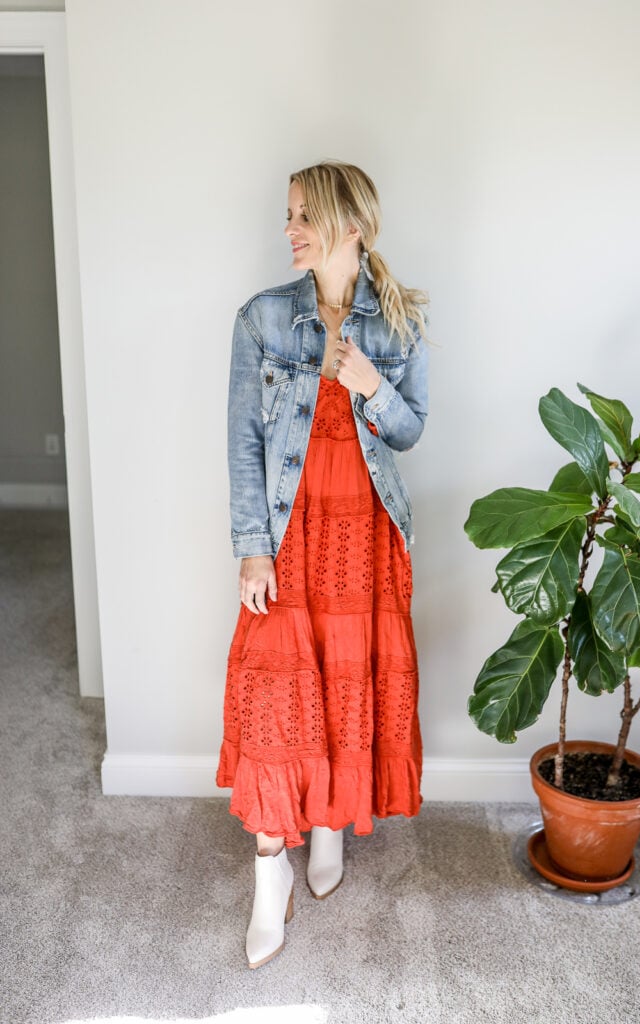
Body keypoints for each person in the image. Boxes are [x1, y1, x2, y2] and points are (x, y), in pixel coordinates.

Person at [216, 160, 429, 969]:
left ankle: (331, 821)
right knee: (274, 696)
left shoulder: (398, 323)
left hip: (366, 541)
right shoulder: (263, 320)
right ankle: (270, 875)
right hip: (287, 535)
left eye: (304, 215)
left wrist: (370, 382)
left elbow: (409, 433)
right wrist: (249, 545)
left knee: (347, 686)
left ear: (353, 224)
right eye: (289, 214)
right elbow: (243, 440)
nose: (290, 228)